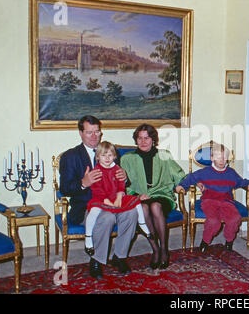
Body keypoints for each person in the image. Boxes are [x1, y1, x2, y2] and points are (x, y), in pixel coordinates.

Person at [59, 115, 138, 279]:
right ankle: (96, 260)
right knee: (107, 217)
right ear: (80, 133)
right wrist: (83, 183)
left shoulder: (110, 151)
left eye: (97, 132)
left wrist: (124, 176)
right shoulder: (70, 156)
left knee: (131, 213)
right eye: (89, 132)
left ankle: (119, 256)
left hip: (113, 202)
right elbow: (65, 188)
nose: (94, 136)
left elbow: (121, 182)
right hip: (87, 206)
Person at [120, 124, 186, 270]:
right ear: (136, 140)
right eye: (140, 138)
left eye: (147, 138)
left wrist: (191, 182)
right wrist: (136, 195)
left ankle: (164, 249)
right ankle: (155, 248)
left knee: (155, 206)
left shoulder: (164, 155)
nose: (143, 142)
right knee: (143, 208)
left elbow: (179, 174)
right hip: (139, 196)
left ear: (153, 139)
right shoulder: (127, 158)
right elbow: (123, 184)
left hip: (161, 194)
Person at [175, 143, 249, 252]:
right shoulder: (205, 172)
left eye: (224, 157)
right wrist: (182, 186)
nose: (222, 160)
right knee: (214, 222)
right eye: (218, 157)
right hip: (209, 200)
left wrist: (248, 184)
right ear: (212, 158)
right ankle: (205, 241)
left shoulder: (231, 173)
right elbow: (191, 177)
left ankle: (229, 241)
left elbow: (240, 181)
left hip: (227, 200)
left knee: (234, 219)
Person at [85, 141, 149, 257]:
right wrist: (108, 202)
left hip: (116, 198)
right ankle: (89, 242)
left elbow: (122, 183)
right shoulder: (95, 170)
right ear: (98, 157)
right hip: (101, 200)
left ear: (114, 156)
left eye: (110, 155)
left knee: (134, 207)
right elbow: (97, 189)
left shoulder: (116, 168)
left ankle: (121, 255)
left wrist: (119, 196)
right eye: (104, 155)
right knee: (97, 214)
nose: (107, 158)